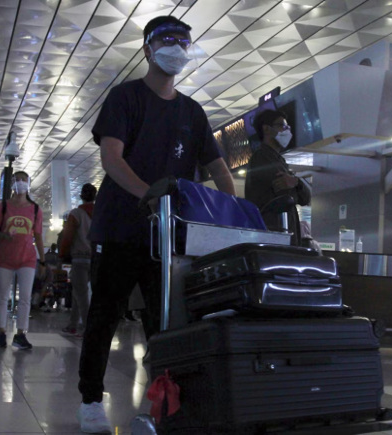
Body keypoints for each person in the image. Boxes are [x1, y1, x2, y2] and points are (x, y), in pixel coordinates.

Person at [77, 15, 236, 433]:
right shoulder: (125, 98)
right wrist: (149, 194)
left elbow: (219, 168)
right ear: (147, 49)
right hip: (119, 229)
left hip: (168, 238)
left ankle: (166, 405)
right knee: (105, 314)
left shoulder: (192, 112)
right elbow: (112, 158)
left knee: (165, 324)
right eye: (167, 40)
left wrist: (230, 212)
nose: (177, 48)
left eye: (184, 41)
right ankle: (90, 400)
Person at [0, 170, 45, 350]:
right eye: (17, 180)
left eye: (24, 180)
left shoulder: (35, 209)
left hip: (27, 258)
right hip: (4, 257)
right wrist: (4, 235)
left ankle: (21, 333)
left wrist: (42, 260)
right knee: (3, 296)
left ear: (29, 184)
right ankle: (1, 331)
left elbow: (38, 235)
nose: (20, 183)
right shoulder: (2, 207)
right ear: (12, 183)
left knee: (25, 298)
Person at [245, 109, 312, 246]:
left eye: (288, 127)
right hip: (273, 237)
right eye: (282, 126)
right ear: (266, 129)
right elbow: (288, 194)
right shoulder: (262, 157)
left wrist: (296, 182)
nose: (287, 130)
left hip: (282, 236)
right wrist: (296, 185)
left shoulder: (278, 160)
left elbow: (305, 198)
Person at [59, 183, 97, 337]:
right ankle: (72, 325)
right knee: (79, 292)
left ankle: (87, 328)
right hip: (95, 259)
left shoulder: (76, 214)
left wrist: (62, 254)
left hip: (80, 259)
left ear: (81, 196)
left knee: (81, 295)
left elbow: (67, 237)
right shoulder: (100, 212)